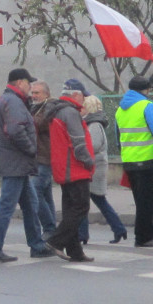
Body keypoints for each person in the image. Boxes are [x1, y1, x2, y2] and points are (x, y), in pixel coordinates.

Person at [0, 68, 53, 263]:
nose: (30, 88)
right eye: (28, 83)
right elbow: (15, 130)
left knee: (31, 205)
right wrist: (31, 149)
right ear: (20, 82)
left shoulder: (7, 100)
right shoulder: (13, 102)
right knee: (7, 206)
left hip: (17, 164)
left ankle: (37, 245)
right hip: (15, 162)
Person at [116, 76, 153, 249]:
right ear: (147, 90)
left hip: (130, 161)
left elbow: (118, 139)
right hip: (148, 161)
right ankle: (143, 237)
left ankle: (150, 234)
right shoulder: (148, 107)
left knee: (141, 201)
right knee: (148, 202)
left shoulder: (120, 109)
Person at [45, 84, 96, 261]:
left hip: (63, 167)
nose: (84, 100)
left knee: (70, 210)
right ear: (75, 95)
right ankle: (56, 240)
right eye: (82, 96)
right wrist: (89, 162)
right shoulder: (70, 112)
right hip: (74, 168)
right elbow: (79, 143)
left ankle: (75, 251)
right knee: (81, 206)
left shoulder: (57, 111)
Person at [79, 93, 127, 244]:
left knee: (86, 202)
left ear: (89, 108)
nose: (79, 109)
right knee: (96, 201)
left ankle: (83, 235)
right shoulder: (93, 123)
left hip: (94, 168)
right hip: (95, 167)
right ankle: (118, 229)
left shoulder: (93, 125)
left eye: (82, 106)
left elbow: (92, 146)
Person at [29, 80, 58, 237]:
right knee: (46, 195)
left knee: (35, 192)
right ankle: (51, 229)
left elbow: (39, 124)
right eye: (32, 93)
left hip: (45, 157)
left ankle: (49, 228)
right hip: (37, 158)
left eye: (37, 93)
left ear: (46, 94)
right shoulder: (36, 107)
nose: (33, 96)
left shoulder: (50, 107)